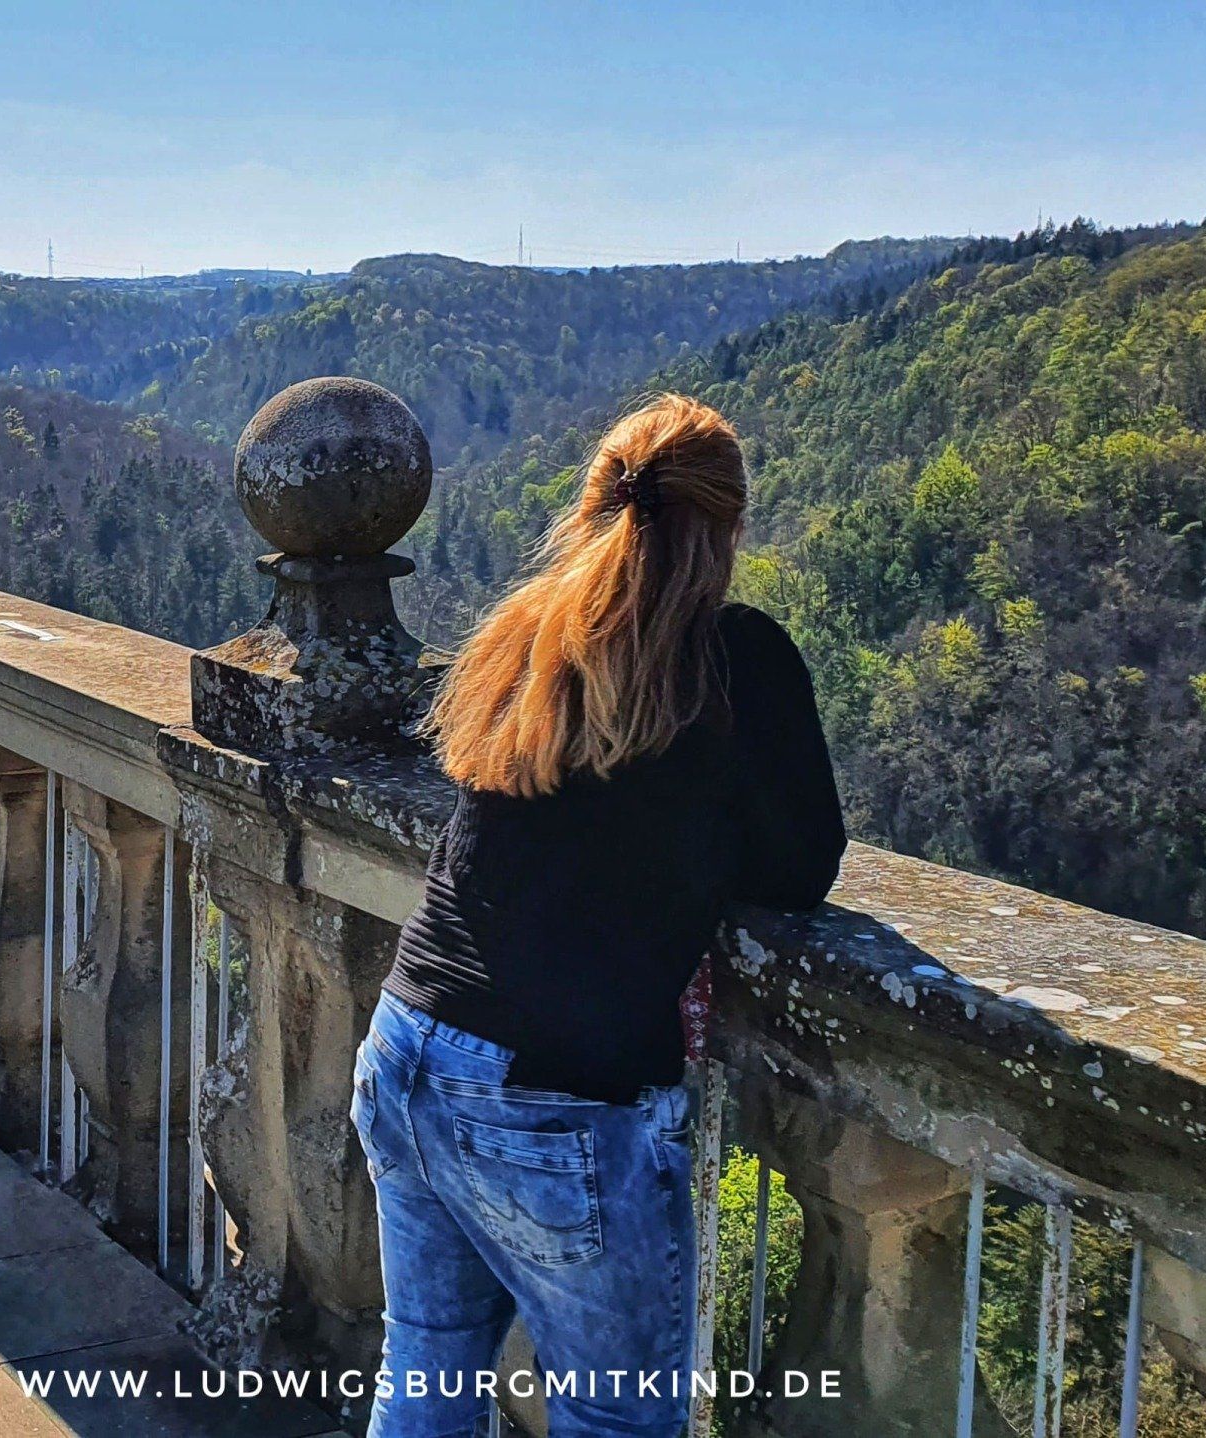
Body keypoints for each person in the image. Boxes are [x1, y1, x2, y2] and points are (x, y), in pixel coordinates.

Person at [352, 393, 846, 1437]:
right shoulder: (736, 659)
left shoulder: (528, 638)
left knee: (427, 1378)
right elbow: (803, 866)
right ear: (731, 524)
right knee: (618, 1418)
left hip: (408, 1046)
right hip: (555, 1097)